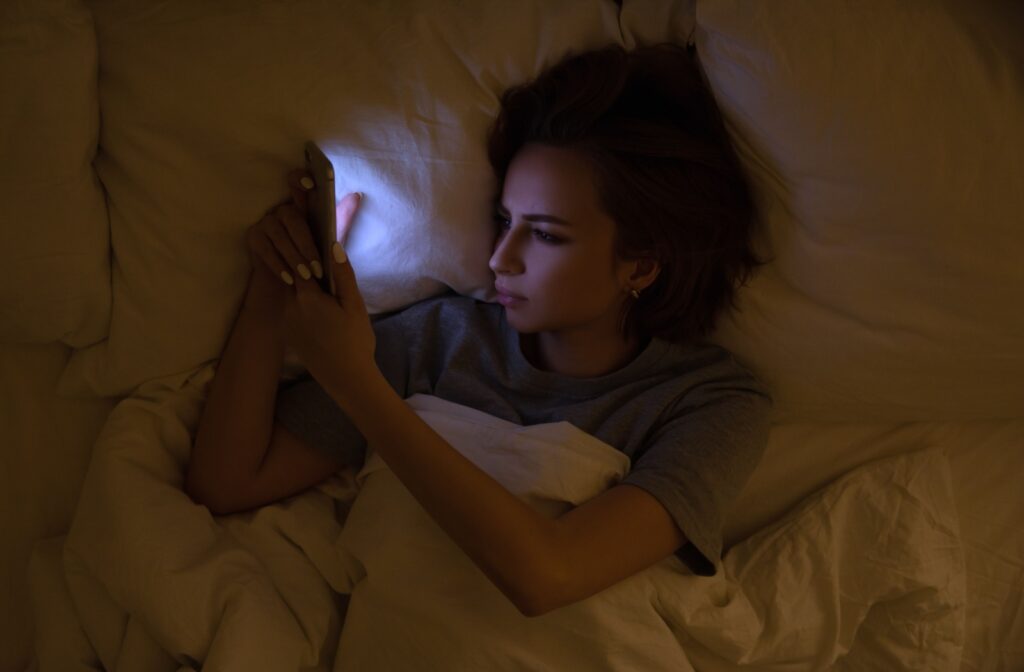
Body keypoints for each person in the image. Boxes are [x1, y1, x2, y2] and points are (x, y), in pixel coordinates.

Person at [185, 42, 772, 618]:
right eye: (504, 221)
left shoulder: (711, 404)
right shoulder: (440, 341)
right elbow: (227, 483)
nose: (500, 258)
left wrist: (356, 383)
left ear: (640, 265)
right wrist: (278, 287)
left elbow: (549, 575)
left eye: (544, 234)